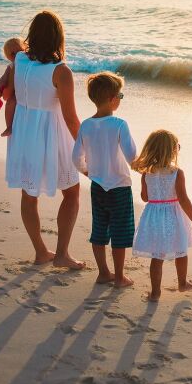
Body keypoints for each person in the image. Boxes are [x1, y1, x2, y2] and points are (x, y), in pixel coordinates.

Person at [5, 10, 85, 269]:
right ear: (58, 37)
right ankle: (61, 254)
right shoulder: (61, 71)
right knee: (72, 193)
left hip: (25, 131)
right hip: (52, 133)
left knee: (29, 194)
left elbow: (12, 93)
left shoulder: (19, 59)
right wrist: (86, 150)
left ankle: (41, 251)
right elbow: (71, 119)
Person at [72, 72, 137, 288]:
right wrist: (147, 167)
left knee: (99, 229)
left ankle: (103, 273)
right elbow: (131, 157)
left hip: (98, 186)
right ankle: (119, 277)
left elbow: (76, 158)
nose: (121, 98)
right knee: (120, 232)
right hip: (119, 187)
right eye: (120, 95)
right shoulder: (119, 124)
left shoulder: (86, 125)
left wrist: (88, 172)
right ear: (112, 99)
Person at [131, 129, 192, 302]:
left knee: (157, 256)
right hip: (174, 215)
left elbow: (145, 197)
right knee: (181, 250)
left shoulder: (146, 173)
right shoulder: (176, 173)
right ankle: (182, 283)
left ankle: (155, 292)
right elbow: (183, 199)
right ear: (172, 150)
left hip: (153, 217)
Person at [0, 37, 25, 137]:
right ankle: (9, 126)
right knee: (11, 101)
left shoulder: (30, 63)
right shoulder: (11, 66)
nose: (16, 55)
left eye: (19, 52)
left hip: (28, 90)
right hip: (15, 92)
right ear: (8, 57)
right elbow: (3, 79)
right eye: (12, 54)